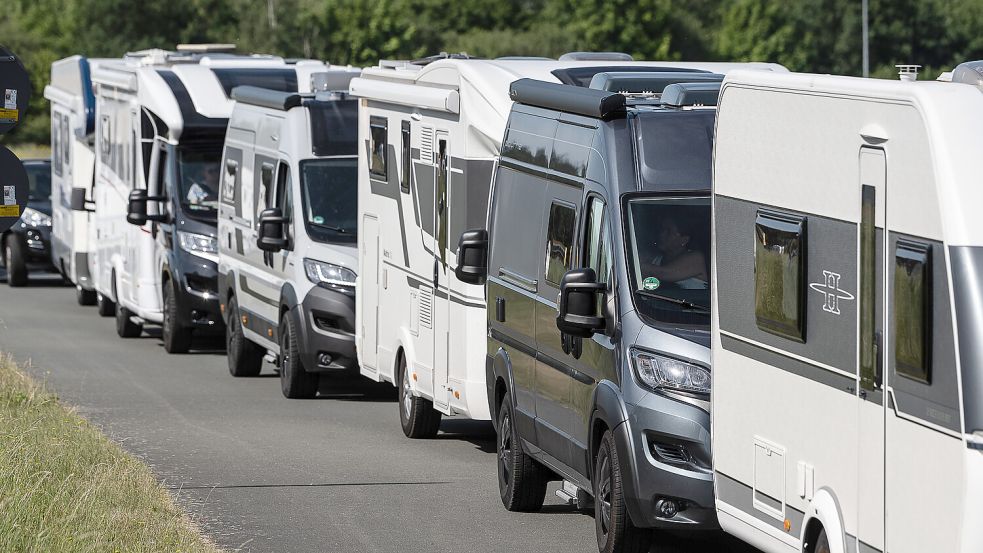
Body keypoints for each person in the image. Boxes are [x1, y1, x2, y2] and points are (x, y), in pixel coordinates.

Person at [641, 216, 708, 289]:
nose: (661, 234)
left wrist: (638, 264)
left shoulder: (697, 258)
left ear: (684, 240)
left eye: (668, 231)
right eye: (662, 229)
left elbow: (664, 273)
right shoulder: (654, 260)